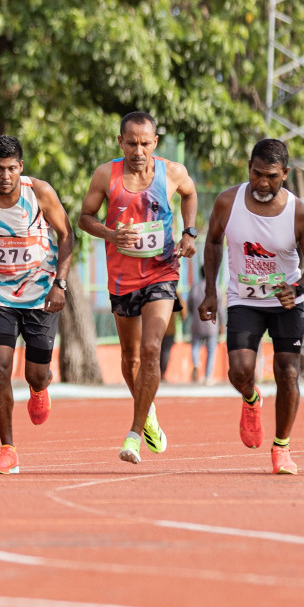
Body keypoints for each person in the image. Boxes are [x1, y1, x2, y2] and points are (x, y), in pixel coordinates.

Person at [198, 139, 304, 474]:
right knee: (239, 370)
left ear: (285, 173)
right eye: (257, 174)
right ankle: (251, 399)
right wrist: (210, 291)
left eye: (271, 176)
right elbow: (212, 242)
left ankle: (281, 447)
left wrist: (297, 288)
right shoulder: (229, 201)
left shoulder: (298, 213)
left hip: (285, 302)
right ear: (249, 168)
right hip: (244, 299)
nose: (263, 183)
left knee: (288, 372)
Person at [77, 111, 198, 465]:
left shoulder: (171, 172)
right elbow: (85, 217)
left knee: (150, 349)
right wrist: (112, 234)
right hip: (121, 279)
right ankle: (148, 413)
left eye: (145, 143)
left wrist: (189, 233)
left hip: (161, 273)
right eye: (131, 143)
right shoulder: (106, 175)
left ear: (155, 143)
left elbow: (190, 195)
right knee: (129, 360)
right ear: (120, 142)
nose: (138, 150)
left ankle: (133, 434)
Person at [0, 135, 73, 475]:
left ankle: (40, 388)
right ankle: (8, 449)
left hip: (40, 295)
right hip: (0, 295)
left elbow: (67, 236)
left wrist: (60, 284)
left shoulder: (38, 193)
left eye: (11, 168)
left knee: (35, 373)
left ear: (20, 168)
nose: (4, 176)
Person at [187, 272, 221, 384]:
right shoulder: (216, 288)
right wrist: (223, 323)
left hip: (197, 322)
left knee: (195, 345)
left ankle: (196, 362)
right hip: (212, 324)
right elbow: (220, 308)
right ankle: (207, 377)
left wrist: (194, 316)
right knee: (211, 350)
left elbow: (189, 305)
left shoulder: (195, 287)